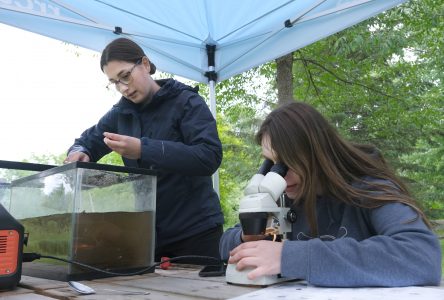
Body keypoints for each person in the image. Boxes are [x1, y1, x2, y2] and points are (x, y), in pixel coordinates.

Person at [220, 101, 442, 287]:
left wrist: (289, 256)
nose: (281, 176)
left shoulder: (368, 188)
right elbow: (225, 243)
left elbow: (421, 256)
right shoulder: (286, 196)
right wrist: (248, 236)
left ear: (315, 153)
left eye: (287, 161)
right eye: (272, 163)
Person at [65, 37, 224, 262]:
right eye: (114, 83)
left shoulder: (187, 102)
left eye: (125, 76)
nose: (123, 88)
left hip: (197, 233)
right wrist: (80, 152)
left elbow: (209, 156)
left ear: (146, 65)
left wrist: (143, 149)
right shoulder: (120, 114)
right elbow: (86, 140)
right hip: (148, 238)